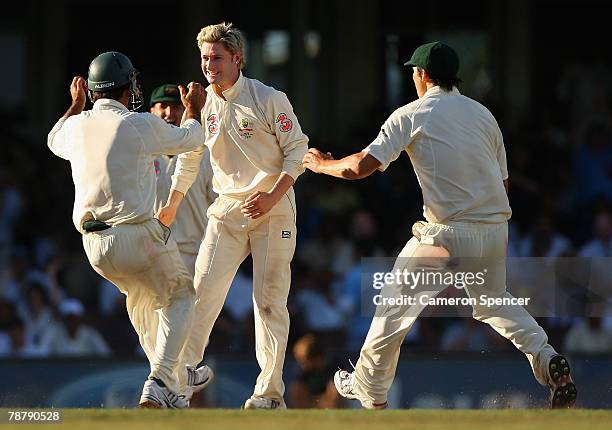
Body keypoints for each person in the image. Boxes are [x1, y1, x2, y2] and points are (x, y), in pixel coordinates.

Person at [302, 41, 577, 409]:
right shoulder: (484, 115)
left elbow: (359, 167)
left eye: (413, 73)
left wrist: (320, 165)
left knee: (393, 304)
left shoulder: (412, 113)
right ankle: (546, 358)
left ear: (422, 74)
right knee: (494, 302)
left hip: (445, 236)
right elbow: (504, 185)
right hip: (495, 230)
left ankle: (370, 385)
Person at [157, 22, 309, 409]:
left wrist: (272, 196)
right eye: (205, 58)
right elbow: (191, 155)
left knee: (269, 301)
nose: (209, 65)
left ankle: (269, 395)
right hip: (226, 208)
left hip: (273, 208)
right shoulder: (202, 103)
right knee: (201, 294)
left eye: (217, 58)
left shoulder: (268, 97)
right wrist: (173, 202)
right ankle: (179, 382)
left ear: (237, 59)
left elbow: (298, 151)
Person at [47, 51, 209, 408]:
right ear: (126, 88)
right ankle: (165, 378)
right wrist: (195, 107)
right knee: (181, 296)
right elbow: (191, 139)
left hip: (95, 248)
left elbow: (53, 137)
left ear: (90, 92)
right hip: (137, 237)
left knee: (143, 303)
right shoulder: (139, 124)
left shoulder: (75, 126)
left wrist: (74, 105)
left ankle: (177, 377)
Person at [150, 84, 216, 277]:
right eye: (163, 106)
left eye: (177, 106)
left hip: (195, 257)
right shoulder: (142, 155)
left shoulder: (205, 155)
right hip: (153, 254)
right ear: (151, 112)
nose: (170, 113)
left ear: (187, 108)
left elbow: (219, 206)